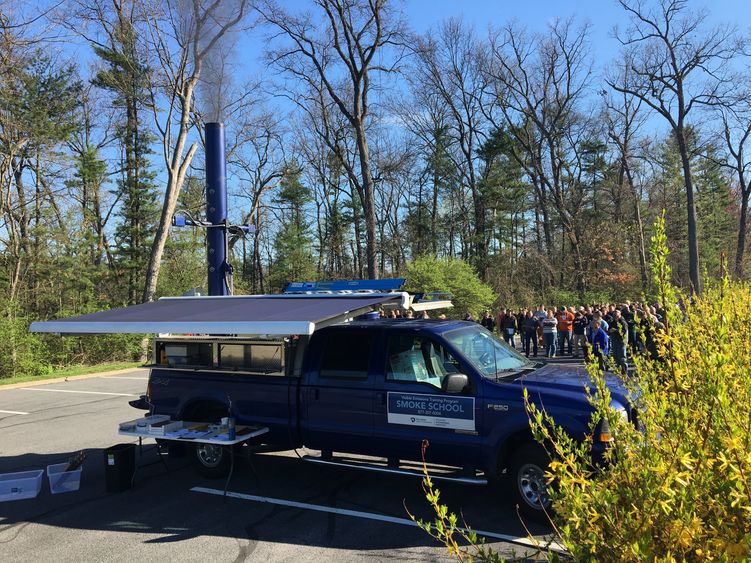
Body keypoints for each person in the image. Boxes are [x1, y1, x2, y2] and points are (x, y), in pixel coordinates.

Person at [607, 309, 629, 373]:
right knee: (615, 355)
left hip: (621, 341)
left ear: (620, 315)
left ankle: (624, 369)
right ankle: (618, 368)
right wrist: (609, 331)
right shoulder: (612, 322)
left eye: (617, 315)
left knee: (622, 356)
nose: (615, 316)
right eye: (614, 315)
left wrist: (615, 330)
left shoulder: (623, 322)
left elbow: (624, 332)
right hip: (614, 340)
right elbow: (609, 331)